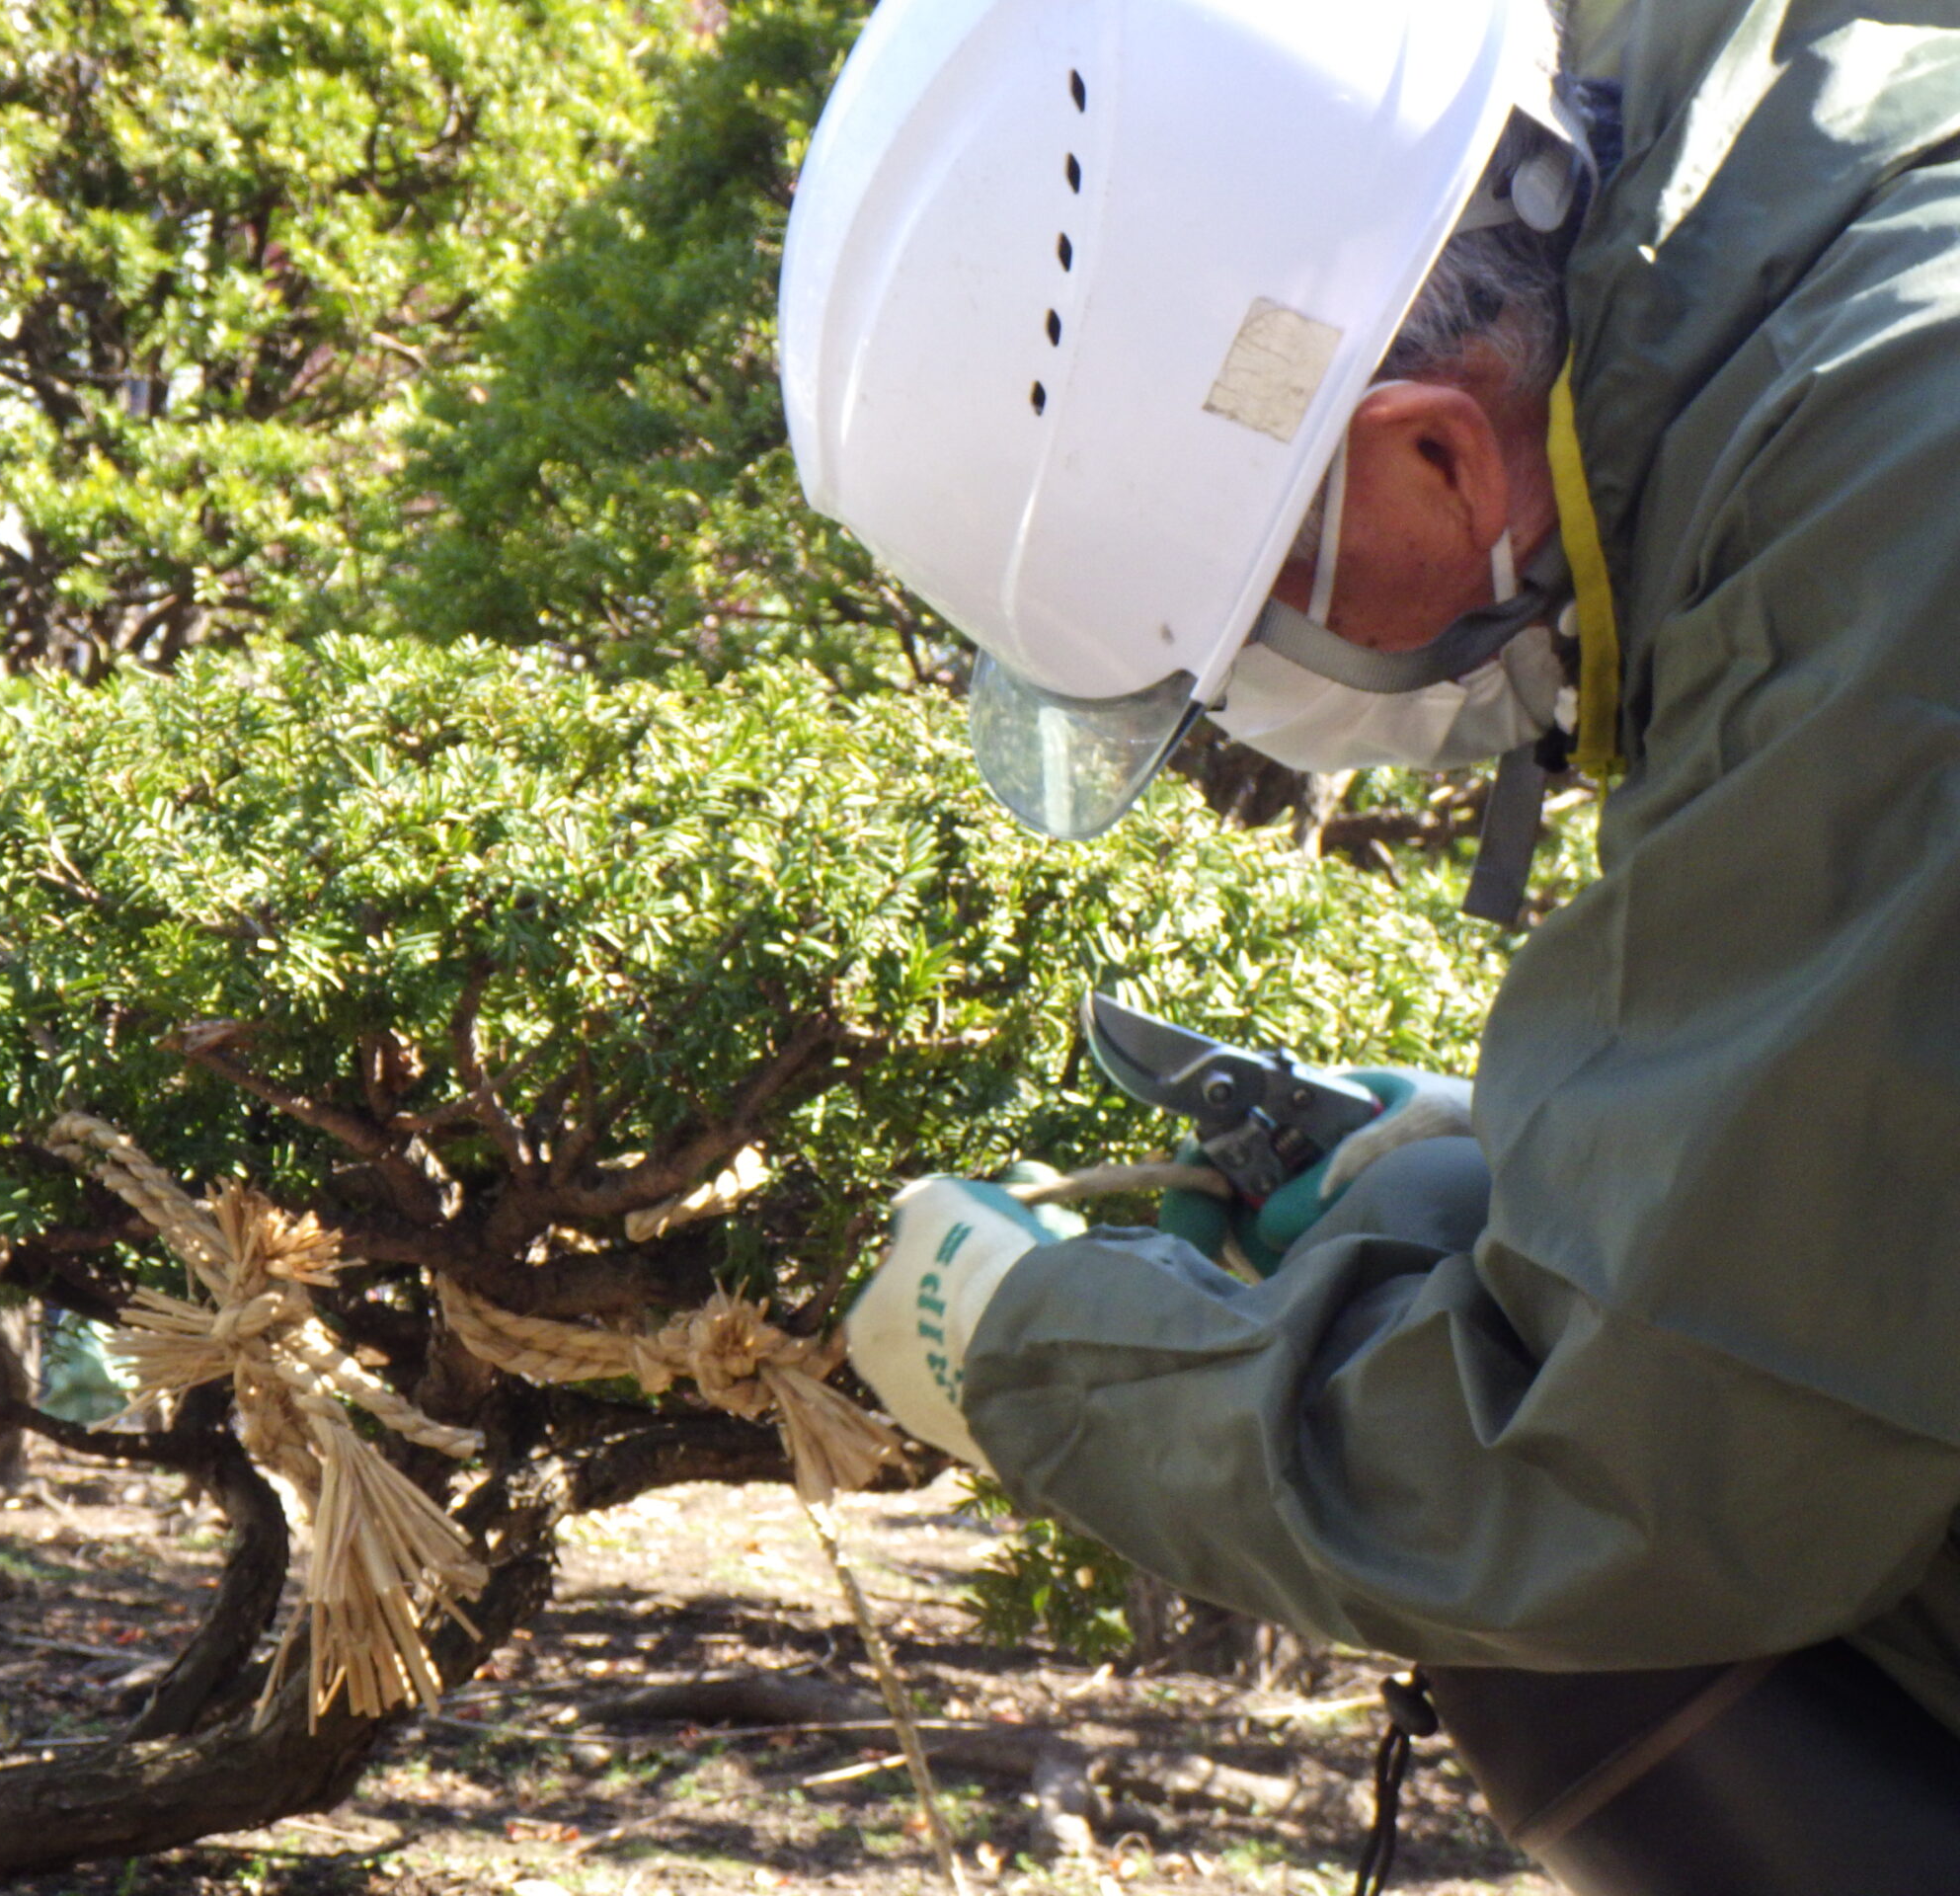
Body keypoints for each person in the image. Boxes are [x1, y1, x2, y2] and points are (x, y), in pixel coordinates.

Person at [782, 0, 1960, 1886]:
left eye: (1251, 630)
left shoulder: (1892, 525)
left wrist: (1030, 1346)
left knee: (1594, 1647)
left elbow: (1635, 1481)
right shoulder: (1812, 268)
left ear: (1433, 461)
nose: (1264, 696)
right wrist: (1514, 1167)